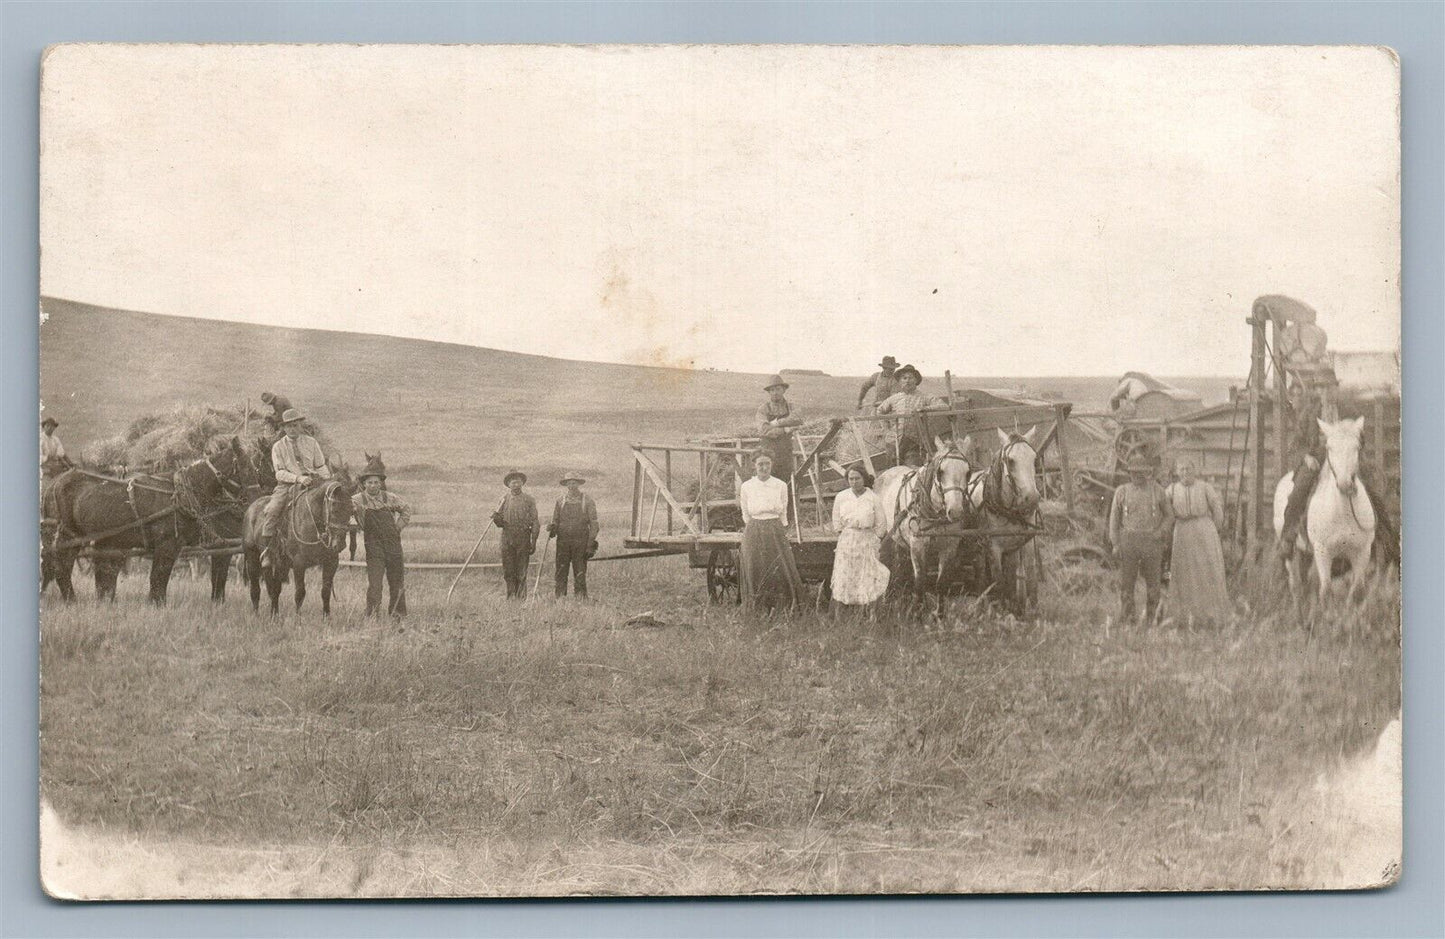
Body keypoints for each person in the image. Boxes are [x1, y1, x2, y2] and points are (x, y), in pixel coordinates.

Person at [261, 408, 331, 570]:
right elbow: (279, 472)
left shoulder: (311, 443)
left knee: (332, 504)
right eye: (289, 426)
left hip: (314, 482)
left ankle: (329, 546)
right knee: (272, 510)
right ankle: (267, 551)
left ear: (301, 426)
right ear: (284, 428)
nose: (292, 429)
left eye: (295, 425)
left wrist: (326, 480)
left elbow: (320, 465)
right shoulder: (278, 446)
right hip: (288, 484)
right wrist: (298, 478)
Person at [1108, 456, 1174, 627]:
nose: (1137, 476)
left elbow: (1169, 516)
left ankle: (1153, 619)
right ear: (1129, 473)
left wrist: (1161, 532)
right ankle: (1128, 620)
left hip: (1152, 541)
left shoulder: (1158, 491)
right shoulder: (1121, 491)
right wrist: (1115, 543)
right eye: (1134, 472)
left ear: (1148, 472)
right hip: (1128, 541)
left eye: (1141, 472)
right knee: (1127, 584)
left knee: (1153, 583)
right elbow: (1114, 520)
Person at [1165, 458, 1230, 625]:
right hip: (1182, 531)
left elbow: (1216, 506)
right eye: (1182, 470)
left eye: (1188, 469)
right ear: (1177, 472)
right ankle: (1185, 616)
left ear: (1194, 470)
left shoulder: (1204, 487)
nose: (1185, 473)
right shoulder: (1172, 489)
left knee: (1205, 570)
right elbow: (1164, 508)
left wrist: (1215, 528)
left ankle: (1210, 615)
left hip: (1203, 530)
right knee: (1184, 571)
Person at [738, 452, 805, 610]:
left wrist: (780, 527)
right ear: (754, 466)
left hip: (774, 528)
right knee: (754, 565)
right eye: (760, 464)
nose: (764, 467)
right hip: (754, 527)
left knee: (778, 565)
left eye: (767, 463)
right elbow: (745, 512)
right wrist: (754, 525)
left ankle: (782, 604)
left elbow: (784, 508)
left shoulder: (780, 485)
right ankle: (757, 605)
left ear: (771, 465)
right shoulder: (747, 486)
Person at [352, 455, 411, 617]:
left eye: (376, 482)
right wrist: (356, 520)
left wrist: (397, 528)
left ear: (381, 483)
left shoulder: (390, 497)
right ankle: (372, 615)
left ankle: (398, 616)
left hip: (393, 546)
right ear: (364, 484)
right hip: (374, 546)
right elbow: (345, 514)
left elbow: (406, 510)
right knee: (375, 584)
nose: (373, 485)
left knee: (397, 582)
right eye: (369, 482)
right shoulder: (356, 500)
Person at [829, 466, 890, 613]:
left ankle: (868, 612)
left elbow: (881, 523)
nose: (854, 482)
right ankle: (844, 612)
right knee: (846, 574)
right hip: (847, 539)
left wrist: (875, 539)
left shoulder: (873, 497)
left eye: (857, 478)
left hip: (867, 539)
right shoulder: (842, 496)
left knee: (867, 575)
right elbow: (836, 519)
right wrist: (843, 534)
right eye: (851, 479)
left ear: (864, 479)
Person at [755, 374, 804, 515]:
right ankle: (767, 515)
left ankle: (788, 520)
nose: (775, 392)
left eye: (777, 389)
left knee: (787, 485)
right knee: (767, 483)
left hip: (785, 453)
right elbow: (764, 430)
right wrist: (786, 429)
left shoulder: (791, 406)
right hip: (767, 454)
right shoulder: (763, 409)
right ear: (768, 392)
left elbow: (798, 418)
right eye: (771, 390)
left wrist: (776, 423)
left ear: (783, 390)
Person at [549, 471, 600, 599]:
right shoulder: (560, 500)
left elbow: (594, 524)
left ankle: (581, 598)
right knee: (561, 570)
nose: (572, 485)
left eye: (574, 483)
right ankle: (560, 598)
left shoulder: (587, 500)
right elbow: (555, 520)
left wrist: (590, 544)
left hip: (580, 541)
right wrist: (553, 528)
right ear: (566, 484)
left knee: (580, 571)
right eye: (569, 483)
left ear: (578, 484)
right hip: (563, 541)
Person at [492, 470, 538, 599]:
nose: (515, 484)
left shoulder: (529, 500)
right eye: (512, 482)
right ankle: (510, 597)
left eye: (518, 481)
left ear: (522, 483)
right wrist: (496, 519)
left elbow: (535, 521)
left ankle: (521, 597)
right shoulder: (503, 499)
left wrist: (533, 541)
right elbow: (499, 522)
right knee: (508, 570)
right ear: (508, 484)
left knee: (521, 571)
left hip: (523, 537)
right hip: (507, 537)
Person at [874, 364, 930, 465]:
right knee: (893, 471)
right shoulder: (895, 398)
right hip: (894, 441)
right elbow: (879, 411)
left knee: (912, 469)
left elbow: (943, 406)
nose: (907, 381)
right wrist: (886, 430)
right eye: (904, 378)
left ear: (916, 381)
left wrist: (925, 409)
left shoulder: (924, 397)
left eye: (910, 378)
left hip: (914, 442)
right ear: (900, 381)